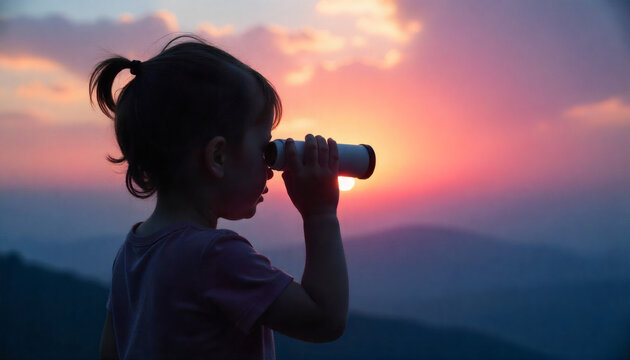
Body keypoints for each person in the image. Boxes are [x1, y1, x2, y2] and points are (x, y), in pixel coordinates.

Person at [90, 34, 349, 360]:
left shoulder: (131, 253)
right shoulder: (215, 257)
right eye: (264, 148)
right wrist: (320, 213)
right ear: (219, 158)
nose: (271, 167)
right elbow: (325, 319)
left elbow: (110, 352)